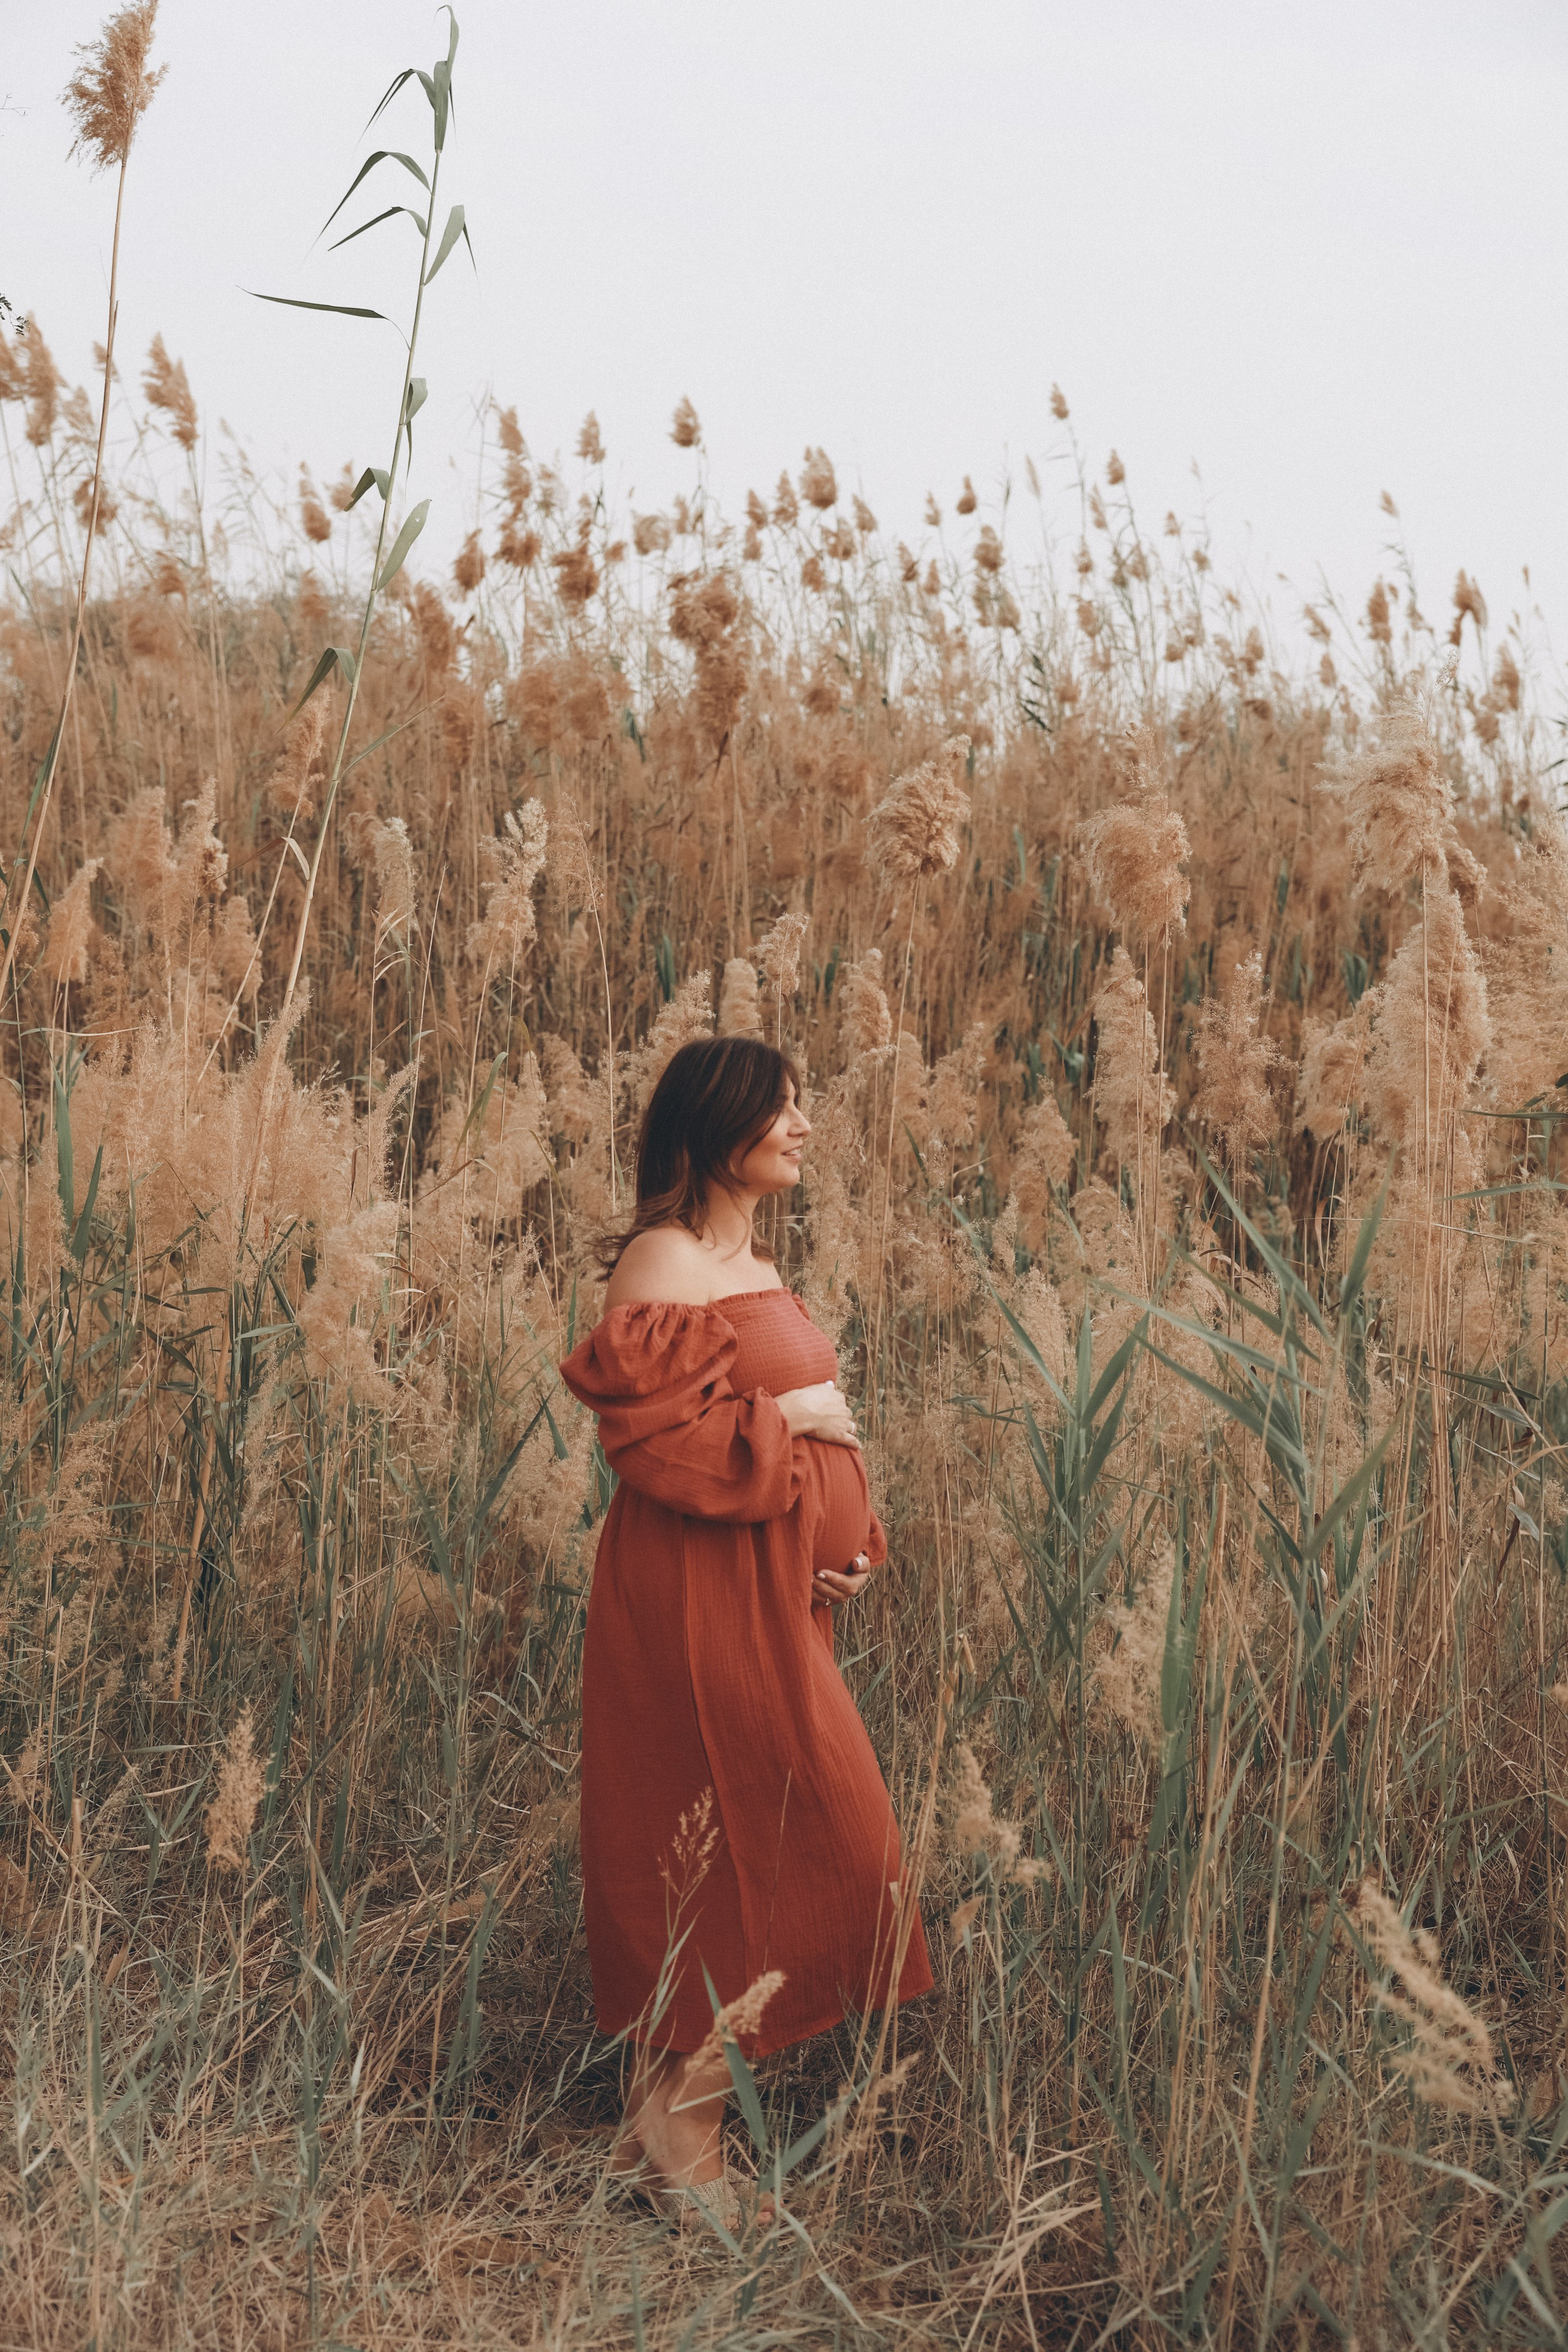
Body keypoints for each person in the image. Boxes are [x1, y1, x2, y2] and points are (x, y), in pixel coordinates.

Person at [557, 1035, 932, 2230]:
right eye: (783, 1106)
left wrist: (839, 1548)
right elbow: (654, 1444)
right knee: (810, 1849)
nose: (804, 1124)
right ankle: (688, 2136)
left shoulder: (749, 1261)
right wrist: (792, 1417)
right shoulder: (664, 1259)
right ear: (716, 1125)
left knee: (747, 1852)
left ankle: (653, 2134)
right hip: (689, 1598)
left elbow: (773, 1425)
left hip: (768, 1594)